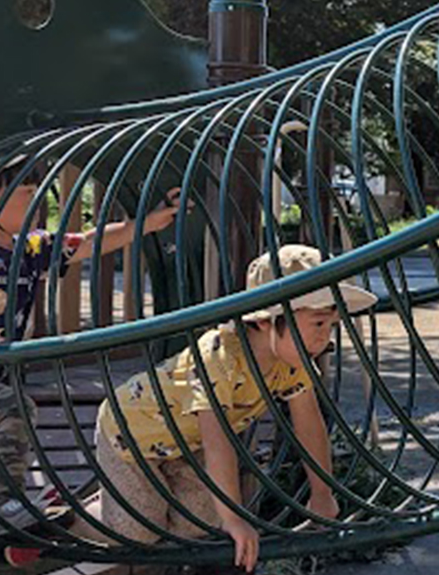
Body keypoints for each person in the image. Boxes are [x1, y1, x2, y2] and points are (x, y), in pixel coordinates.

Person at [0, 157, 184, 531]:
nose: (39, 203)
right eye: (28, 193)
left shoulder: (30, 250)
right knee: (13, 410)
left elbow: (89, 242)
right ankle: (7, 505)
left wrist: (147, 223)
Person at [93, 245, 376, 573]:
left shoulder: (292, 362)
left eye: (331, 326)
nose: (325, 338)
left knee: (199, 523)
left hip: (185, 445)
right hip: (130, 436)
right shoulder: (220, 356)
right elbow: (218, 441)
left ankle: (120, 503)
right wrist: (237, 518)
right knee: (137, 533)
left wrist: (322, 493)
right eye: (318, 324)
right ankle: (85, 519)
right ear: (267, 321)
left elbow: (309, 423)